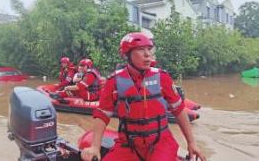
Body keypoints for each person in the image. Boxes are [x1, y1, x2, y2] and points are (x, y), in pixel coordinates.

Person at [81, 32, 206, 161]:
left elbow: (179, 110)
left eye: (149, 49)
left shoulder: (162, 78)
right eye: (141, 49)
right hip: (128, 145)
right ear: (126, 55)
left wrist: (192, 142)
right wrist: (95, 147)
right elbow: (102, 115)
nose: (148, 54)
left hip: (161, 143)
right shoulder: (114, 81)